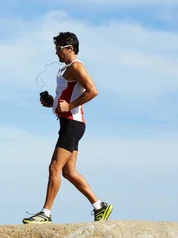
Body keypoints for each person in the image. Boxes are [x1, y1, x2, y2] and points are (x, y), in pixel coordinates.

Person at [22, 31, 113, 224]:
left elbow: (93, 91)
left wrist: (70, 106)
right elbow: (67, 96)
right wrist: (52, 103)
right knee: (68, 172)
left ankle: (45, 213)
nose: (56, 53)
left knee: (55, 167)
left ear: (69, 48)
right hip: (70, 123)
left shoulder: (76, 66)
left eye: (59, 49)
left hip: (72, 124)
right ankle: (99, 206)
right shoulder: (65, 70)